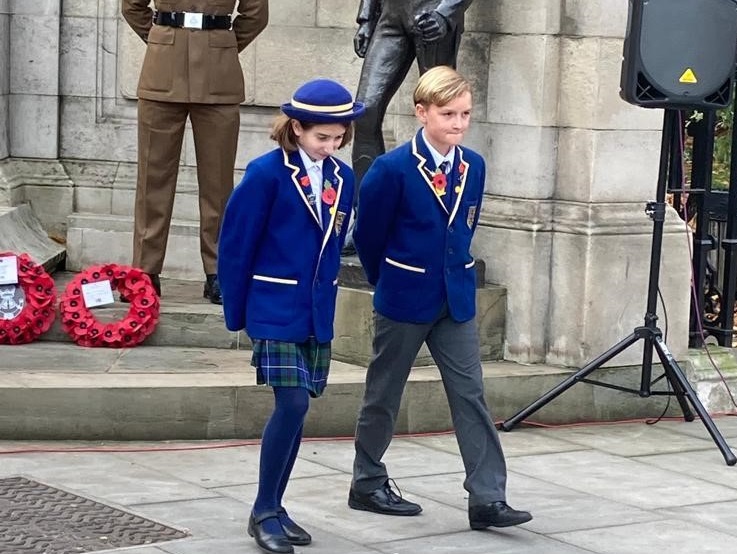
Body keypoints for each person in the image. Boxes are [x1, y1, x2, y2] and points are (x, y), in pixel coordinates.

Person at [348, 66, 532, 531]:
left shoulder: (474, 166)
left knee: (470, 395)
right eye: (448, 113)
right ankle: (367, 480)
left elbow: (464, 225)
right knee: (383, 393)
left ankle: (487, 497)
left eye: (466, 114)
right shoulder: (391, 170)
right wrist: (389, 278)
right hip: (405, 294)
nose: (459, 123)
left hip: (455, 298)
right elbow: (369, 238)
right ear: (422, 112)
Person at [218, 80, 365, 554]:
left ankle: (276, 508)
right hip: (272, 306)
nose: (331, 145)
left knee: (298, 411)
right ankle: (263, 510)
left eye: (338, 136)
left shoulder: (343, 179)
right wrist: (238, 313)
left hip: (316, 311)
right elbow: (236, 246)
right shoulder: (266, 174)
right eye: (322, 137)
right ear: (297, 128)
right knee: (294, 404)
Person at [121, 1, 268, 304]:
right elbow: (132, 6)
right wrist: (164, 41)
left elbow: (255, 15)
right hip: (162, 73)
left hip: (218, 77)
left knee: (218, 185)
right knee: (152, 179)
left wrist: (220, 46)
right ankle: (145, 271)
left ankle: (218, 271)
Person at [351, 0, 473, 187]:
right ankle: (369, 204)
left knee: (442, 112)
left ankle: (438, 201)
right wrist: (366, 19)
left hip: (433, 14)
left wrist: (445, 13)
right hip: (390, 16)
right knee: (365, 110)